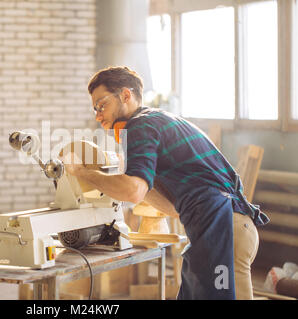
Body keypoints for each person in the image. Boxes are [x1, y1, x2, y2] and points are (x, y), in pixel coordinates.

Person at [62, 66, 269, 300]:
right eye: (94, 109)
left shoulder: (140, 126)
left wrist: (83, 172)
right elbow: (170, 207)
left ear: (126, 96)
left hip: (224, 229)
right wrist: (127, 172)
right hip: (225, 228)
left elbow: (132, 191)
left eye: (102, 105)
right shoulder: (156, 120)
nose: (98, 115)